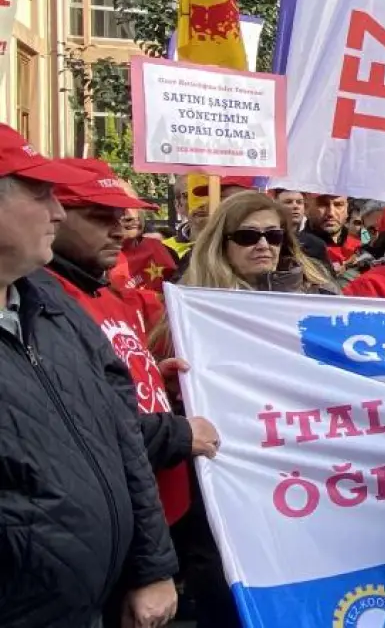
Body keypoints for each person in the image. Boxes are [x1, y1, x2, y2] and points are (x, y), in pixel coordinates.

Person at [0, 127, 179, 628]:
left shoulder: (51, 304)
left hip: (92, 602)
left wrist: (151, 566)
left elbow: (119, 434)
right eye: (40, 194)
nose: (56, 212)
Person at [157, 191, 337, 628]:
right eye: (248, 235)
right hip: (225, 488)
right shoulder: (189, 311)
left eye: (274, 235)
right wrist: (164, 381)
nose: (264, 245)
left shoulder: (320, 299)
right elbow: (154, 391)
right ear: (223, 242)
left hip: (301, 482)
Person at [45, 158, 220, 524]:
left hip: (158, 507)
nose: (118, 230)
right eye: (98, 216)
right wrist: (175, 434)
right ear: (54, 215)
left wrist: (151, 377)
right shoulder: (46, 302)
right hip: (108, 516)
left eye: (120, 216)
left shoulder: (105, 294)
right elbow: (76, 421)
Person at [302, 193, 362, 270]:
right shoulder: (294, 248)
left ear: (347, 211)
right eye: (322, 204)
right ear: (306, 209)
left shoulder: (359, 248)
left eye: (338, 205)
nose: (331, 213)